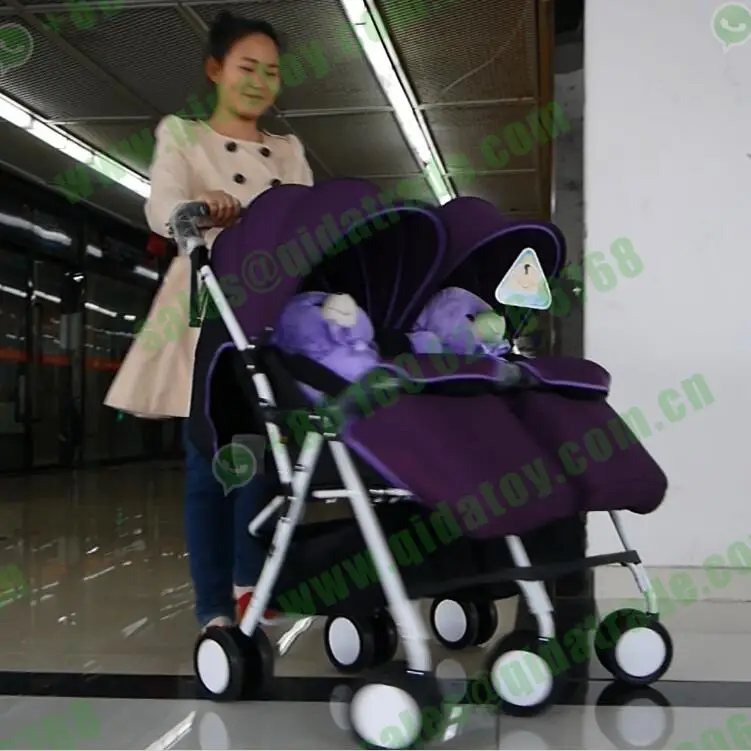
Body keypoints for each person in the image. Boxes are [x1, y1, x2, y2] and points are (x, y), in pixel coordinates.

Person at [144, 11, 314, 631]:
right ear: (216, 70)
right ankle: (213, 605)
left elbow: (309, 220)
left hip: (270, 312)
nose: (259, 80)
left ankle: (253, 583)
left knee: (263, 455)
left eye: (271, 71)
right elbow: (161, 205)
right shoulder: (182, 135)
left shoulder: (288, 150)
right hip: (204, 309)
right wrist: (200, 207)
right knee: (208, 459)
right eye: (247, 67)